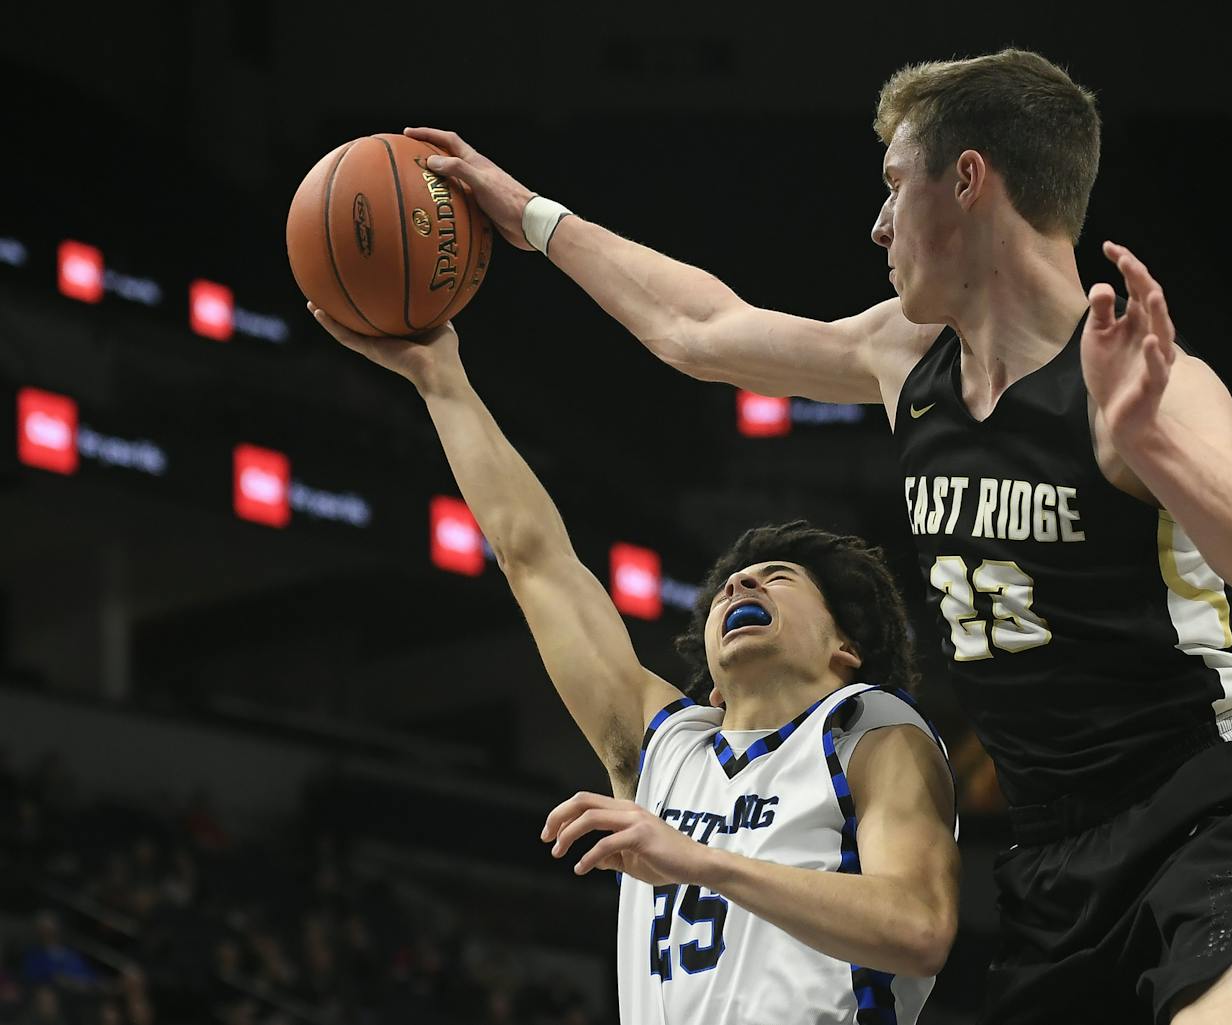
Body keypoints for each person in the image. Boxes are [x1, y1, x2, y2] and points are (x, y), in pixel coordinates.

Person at [399, 46, 1232, 1025]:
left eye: (897, 185)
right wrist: (526, 215)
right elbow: (694, 328)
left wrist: (1150, 440)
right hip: (1049, 865)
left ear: (970, 180)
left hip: (1201, 815)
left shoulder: (1146, 387)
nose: (879, 221)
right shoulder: (902, 356)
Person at [308, 304, 960, 1024]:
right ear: (711, 674)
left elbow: (919, 926)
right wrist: (440, 380)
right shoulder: (668, 744)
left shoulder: (871, 727)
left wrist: (697, 859)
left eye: (777, 577)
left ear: (848, 648)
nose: (740, 585)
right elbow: (535, 559)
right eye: (726, 590)